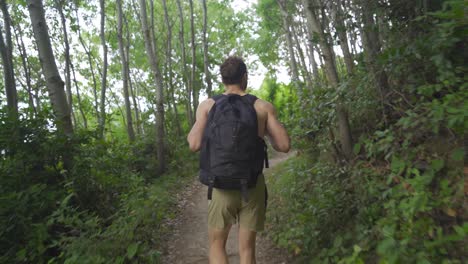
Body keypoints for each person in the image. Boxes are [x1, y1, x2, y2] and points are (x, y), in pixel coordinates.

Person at [187, 56, 290, 264]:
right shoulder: (262, 107)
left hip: (220, 186)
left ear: (223, 79)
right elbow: (284, 145)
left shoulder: (207, 106)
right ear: (245, 77)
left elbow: (194, 144)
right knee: (247, 250)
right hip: (251, 187)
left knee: (217, 246)